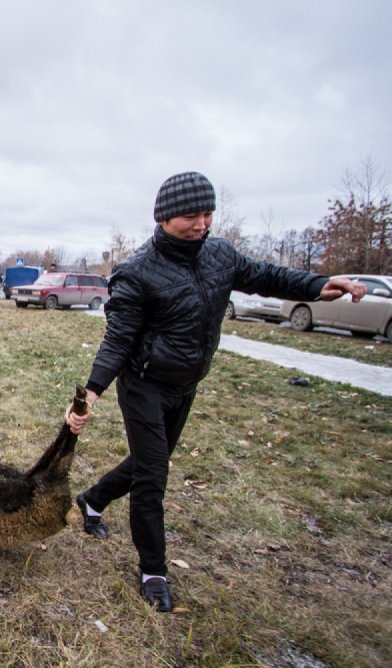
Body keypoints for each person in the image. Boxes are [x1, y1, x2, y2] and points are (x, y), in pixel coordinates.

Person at [64, 172, 367, 613]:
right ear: (164, 217)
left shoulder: (219, 254)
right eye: (191, 215)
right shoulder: (137, 271)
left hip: (185, 384)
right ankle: (154, 570)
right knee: (153, 477)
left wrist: (317, 285)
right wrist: (91, 394)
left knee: (153, 461)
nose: (202, 223)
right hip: (144, 383)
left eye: (208, 213)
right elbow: (119, 339)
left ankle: (92, 500)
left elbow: (265, 275)